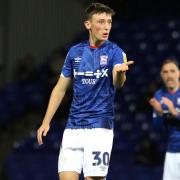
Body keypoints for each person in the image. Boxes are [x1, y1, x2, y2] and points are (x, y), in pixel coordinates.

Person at [37, 3, 134, 180]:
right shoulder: (75, 52)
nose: (106, 27)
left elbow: (118, 83)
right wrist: (46, 122)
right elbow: (60, 88)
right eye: (101, 21)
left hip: (99, 129)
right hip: (73, 128)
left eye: (109, 22)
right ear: (88, 24)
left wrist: (120, 74)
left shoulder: (116, 52)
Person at [149, 58, 180, 180]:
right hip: (172, 151)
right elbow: (157, 129)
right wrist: (160, 114)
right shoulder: (159, 95)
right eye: (165, 72)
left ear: (179, 73)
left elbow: (174, 114)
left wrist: (174, 113)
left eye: (172, 71)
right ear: (161, 75)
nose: (169, 75)